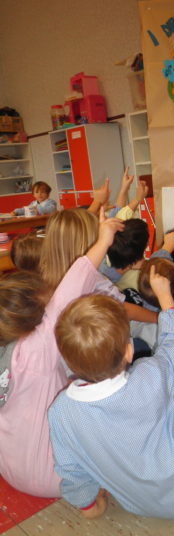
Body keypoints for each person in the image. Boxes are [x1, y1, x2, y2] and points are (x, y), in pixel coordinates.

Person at [48, 266, 174, 520]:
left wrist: (87, 505)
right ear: (129, 351)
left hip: (140, 505)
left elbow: (70, 468)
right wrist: (165, 298)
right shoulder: (149, 376)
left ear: (67, 362)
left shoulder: (60, 411)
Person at [0, 209, 124, 497]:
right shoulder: (36, 351)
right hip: (55, 477)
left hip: (10, 466)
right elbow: (69, 292)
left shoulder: (9, 346)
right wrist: (102, 242)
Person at [39, 208, 156, 324]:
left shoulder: (44, 279)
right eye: (97, 237)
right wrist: (159, 317)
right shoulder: (94, 282)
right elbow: (125, 310)